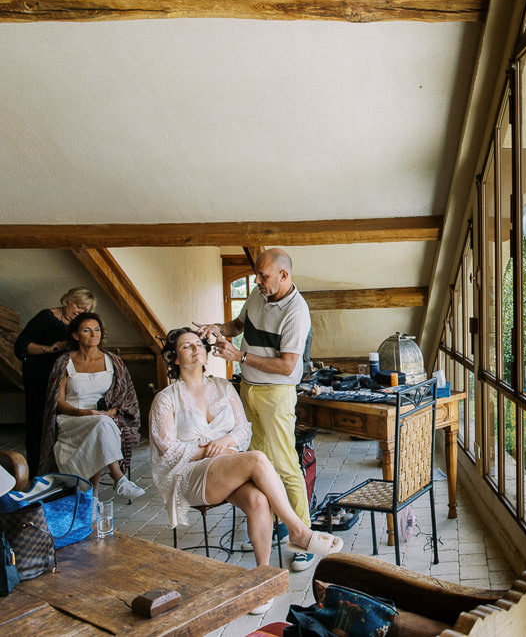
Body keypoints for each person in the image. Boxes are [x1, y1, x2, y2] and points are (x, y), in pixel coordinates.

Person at [149, 328, 342, 613]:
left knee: (258, 500)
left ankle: (262, 580)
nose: (195, 349)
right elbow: (167, 447)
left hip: (224, 467)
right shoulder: (166, 399)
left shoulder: (223, 388)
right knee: (256, 459)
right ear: (175, 358)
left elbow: (243, 429)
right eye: (186, 346)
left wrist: (225, 442)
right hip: (188, 474)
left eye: (198, 344)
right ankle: (299, 532)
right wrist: (206, 450)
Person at [194, 248, 315, 571]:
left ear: (283, 276)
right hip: (248, 389)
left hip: (276, 393)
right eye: (257, 275)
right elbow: (237, 324)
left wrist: (240, 358)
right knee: (259, 460)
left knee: (286, 462)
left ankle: (304, 538)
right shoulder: (258, 294)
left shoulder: (297, 312)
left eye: (263, 276)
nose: (257, 281)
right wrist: (216, 328)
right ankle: (274, 524)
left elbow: (288, 365)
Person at [38, 312, 145, 499]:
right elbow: (58, 403)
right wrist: (83, 412)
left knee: (100, 425)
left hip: (103, 417)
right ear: (75, 335)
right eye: (87, 330)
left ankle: (93, 498)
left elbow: (125, 397)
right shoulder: (64, 362)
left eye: (97, 330)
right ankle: (119, 479)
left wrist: (113, 411)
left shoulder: (113, 361)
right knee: (100, 425)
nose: (93, 334)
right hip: (72, 418)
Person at [14, 287, 96, 476]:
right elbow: (21, 346)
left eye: (85, 309)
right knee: (39, 425)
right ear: (67, 300)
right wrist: (50, 348)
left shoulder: (80, 324)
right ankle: (37, 473)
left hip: (64, 381)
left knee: (61, 425)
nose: (80, 311)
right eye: (78, 306)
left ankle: (63, 470)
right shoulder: (46, 317)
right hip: (40, 377)